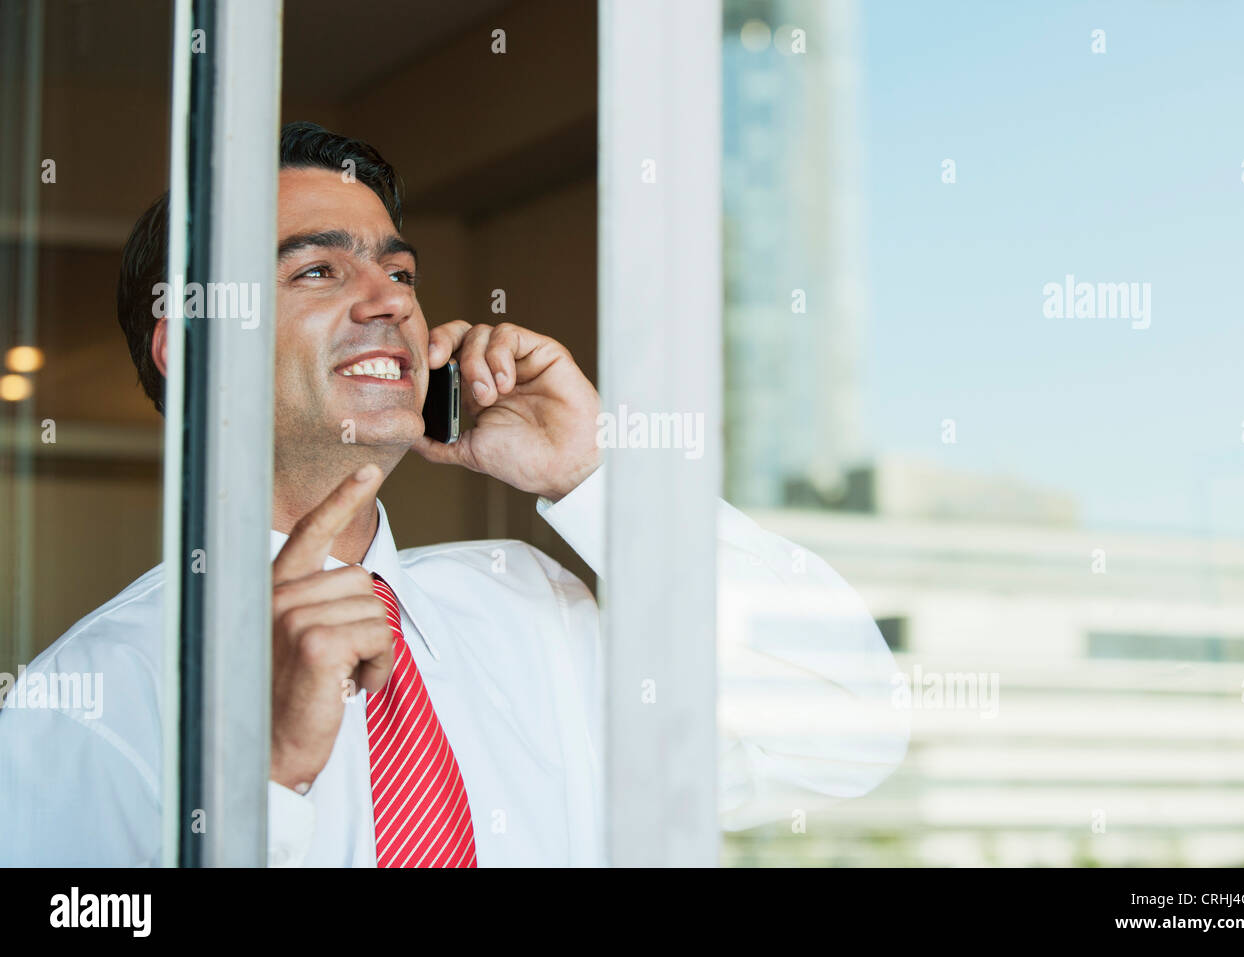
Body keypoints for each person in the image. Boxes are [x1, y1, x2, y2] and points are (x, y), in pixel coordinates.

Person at [0, 122, 908, 866]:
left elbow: (844, 736)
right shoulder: (85, 698)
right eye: (318, 270)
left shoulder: (532, 605)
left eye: (399, 272)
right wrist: (264, 788)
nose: (389, 301)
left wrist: (595, 474)